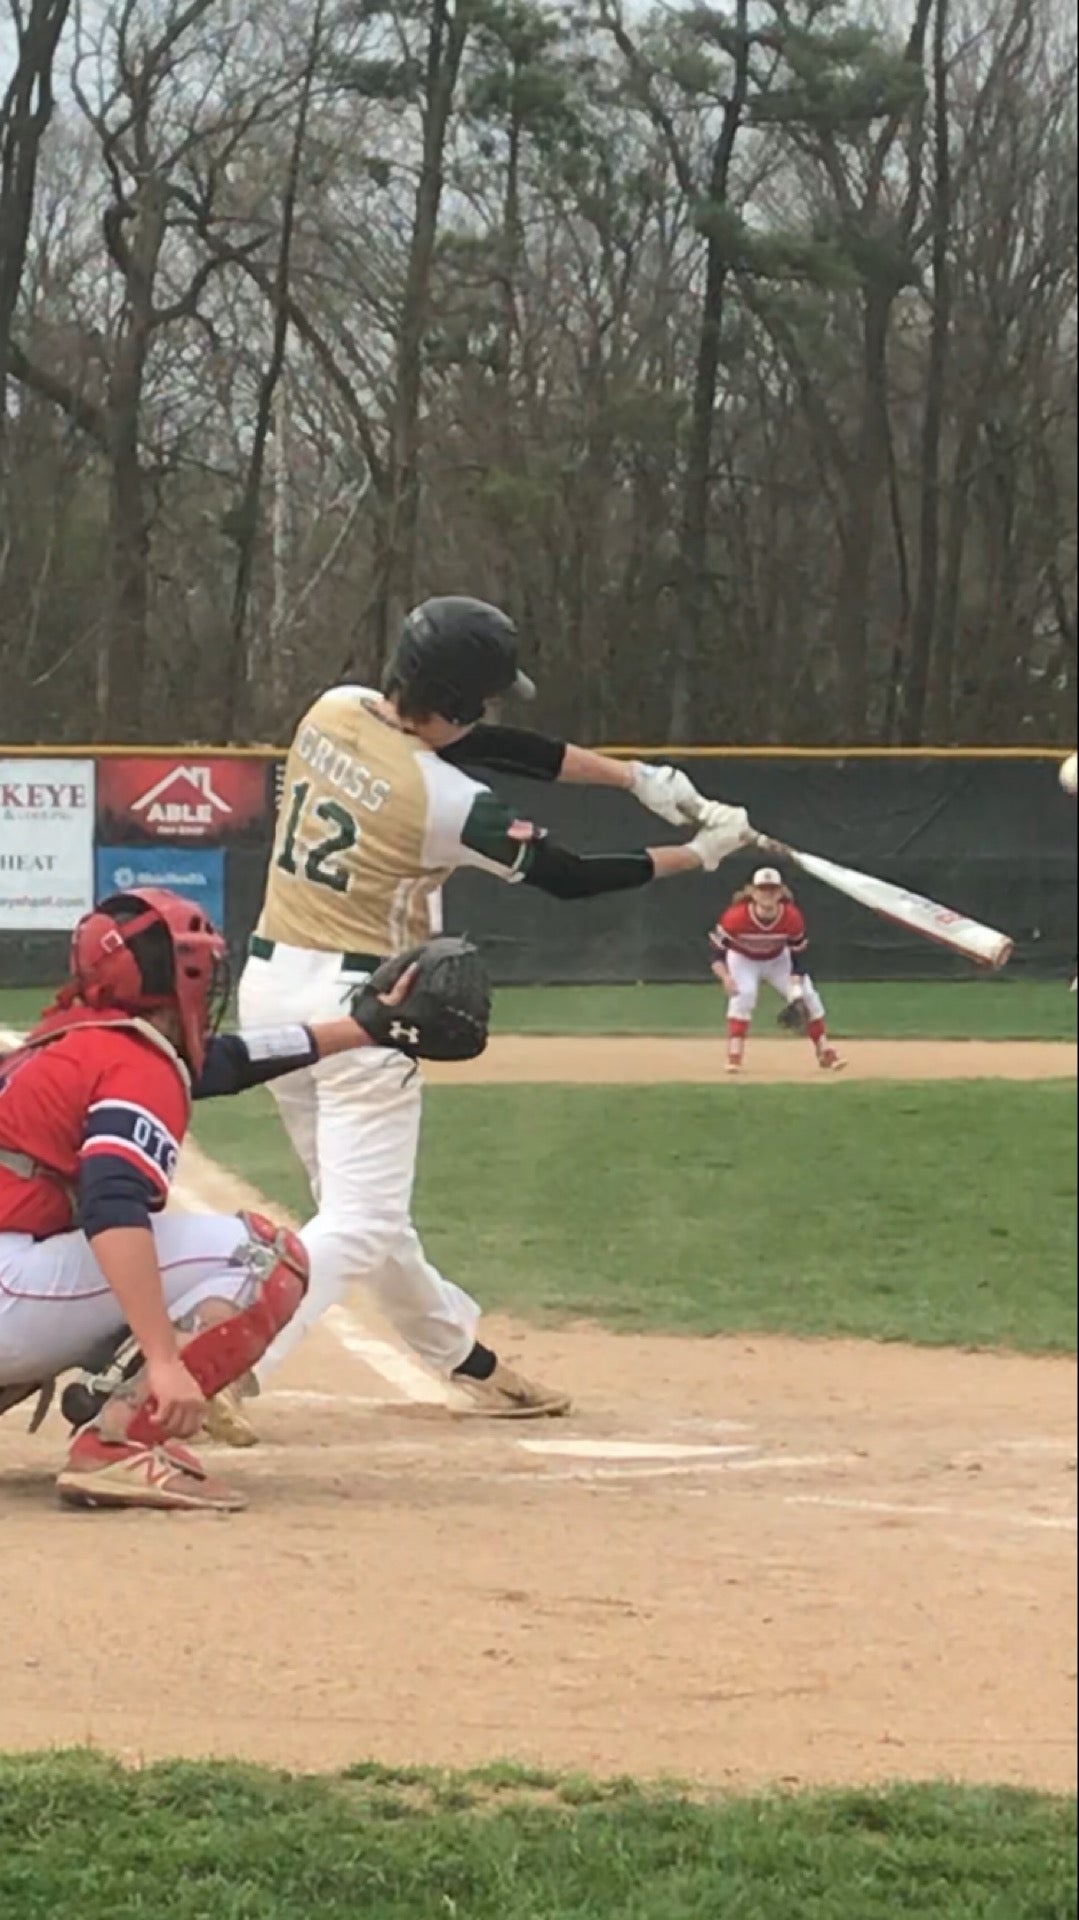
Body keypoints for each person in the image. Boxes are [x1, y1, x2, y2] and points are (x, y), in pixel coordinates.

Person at [236, 594, 779, 1438]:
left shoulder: (333, 707)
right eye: (478, 701)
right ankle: (218, 1366)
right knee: (363, 1218)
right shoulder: (446, 803)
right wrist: (699, 854)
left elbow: (487, 744)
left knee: (365, 1213)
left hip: (272, 987)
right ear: (453, 702)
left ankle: (463, 1361)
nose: (484, 716)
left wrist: (637, 778)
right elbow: (567, 874)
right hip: (366, 1009)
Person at [0, 888, 475, 1512]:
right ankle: (119, 1446)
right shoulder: (132, 1061)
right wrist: (165, 1361)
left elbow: (225, 1062)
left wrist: (361, 1029)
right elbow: (112, 1203)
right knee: (262, 1254)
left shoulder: (69, 1039)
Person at [709, 866, 844, 1074]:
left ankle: (824, 1051)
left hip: (778, 960)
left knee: (807, 996)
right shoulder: (735, 918)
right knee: (744, 994)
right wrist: (725, 977)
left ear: (781, 892)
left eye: (772, 889)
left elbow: (798, 954)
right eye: (762, 889)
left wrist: (796, 981)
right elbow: (716, 954)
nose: (767, 894)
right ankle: (734, 1054)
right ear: (752, 892)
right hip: (743, 959)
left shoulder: (791, 917)